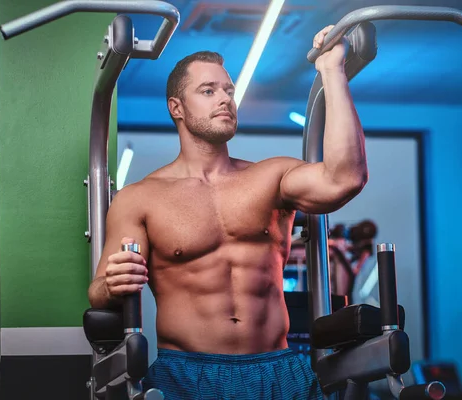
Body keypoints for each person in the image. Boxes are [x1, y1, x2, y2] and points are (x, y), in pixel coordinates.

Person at [88, 25, 367, 399]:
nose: (225, 99)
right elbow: (97, 292)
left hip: (278, 371)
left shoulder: (271, 177)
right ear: (177, 108)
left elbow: (345, 178)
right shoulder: (140, 198)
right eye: (208, 91)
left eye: (229, 90)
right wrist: (111, 283)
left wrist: (332, 70)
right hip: (185, 376)